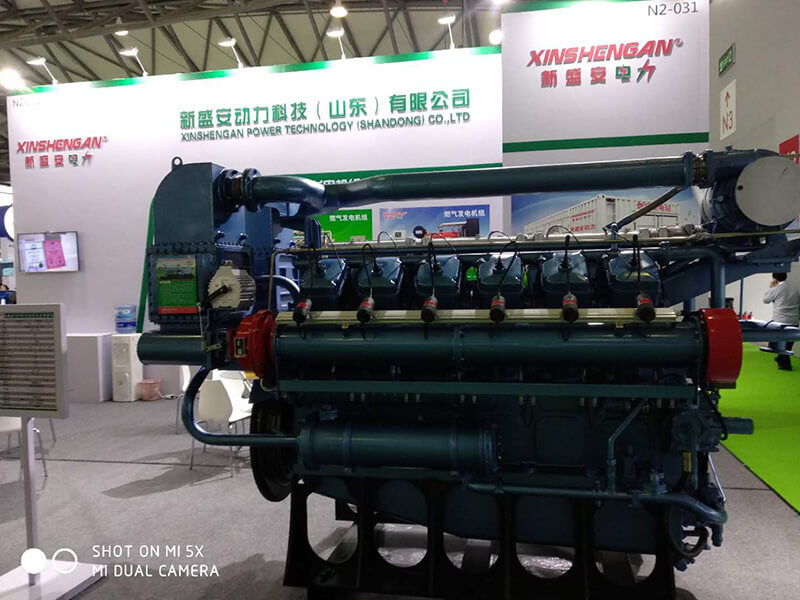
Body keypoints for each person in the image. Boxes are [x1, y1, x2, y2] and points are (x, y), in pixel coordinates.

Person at [763, 272, 800, 371]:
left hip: (781, 320)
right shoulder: (795, 288)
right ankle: (781, 359)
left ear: (774, 278)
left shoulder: (777, 288)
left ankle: (785, 364)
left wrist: (771, 288)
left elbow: (766, 299)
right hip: (794, 320)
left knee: (780, 344)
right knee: (788, 343)